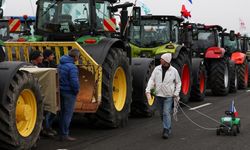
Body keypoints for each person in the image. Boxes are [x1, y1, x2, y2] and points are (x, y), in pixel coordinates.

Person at [145, 53, 181, 139]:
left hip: (168, 96)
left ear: (166, 61)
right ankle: (168, 126)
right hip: (158, 95)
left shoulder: (174, 71)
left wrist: (176, 93)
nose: (160, 60)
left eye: (162, 59)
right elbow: (151, 79)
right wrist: (148, 89)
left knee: (166, 112)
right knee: (161, 114)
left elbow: (178, 82)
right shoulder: (157, 69)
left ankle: (166, 130)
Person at [58, 48, 80, 141]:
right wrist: (76, 90)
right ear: (75, 57)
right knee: (68, 114)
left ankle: (61, 133)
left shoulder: (60, 65)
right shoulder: (72, 67)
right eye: (78, 57)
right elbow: (74, 81)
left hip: (61, 91)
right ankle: (64, 134)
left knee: (62, 113)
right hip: (69, 92)